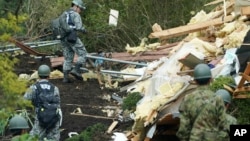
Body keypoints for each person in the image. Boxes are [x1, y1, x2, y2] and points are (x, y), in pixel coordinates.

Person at [176, 63, 229, 141]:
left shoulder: (188, 99)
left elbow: (184, 128)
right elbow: (224, 126)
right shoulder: (217, 99)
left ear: (195, 81)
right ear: (210, 79)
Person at [24, 64, 62, 141]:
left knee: (34, 138)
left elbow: (24, 100)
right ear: (49, 75)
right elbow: (58, 103)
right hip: (53, 117)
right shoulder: (55, 88)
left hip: (40, 117)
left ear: (38, 75)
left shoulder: (34, 87)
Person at [61, 0, 88, 83]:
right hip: (71, 37)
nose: (81, 11)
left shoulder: (64, 13)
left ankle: (65, 78)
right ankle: (76, 70)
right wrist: (84, 30)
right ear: (76, 6)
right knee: (83, 54)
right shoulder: (75, 14)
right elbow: (79, 27)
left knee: (68, 57)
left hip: (63, 38)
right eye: (80, 9)